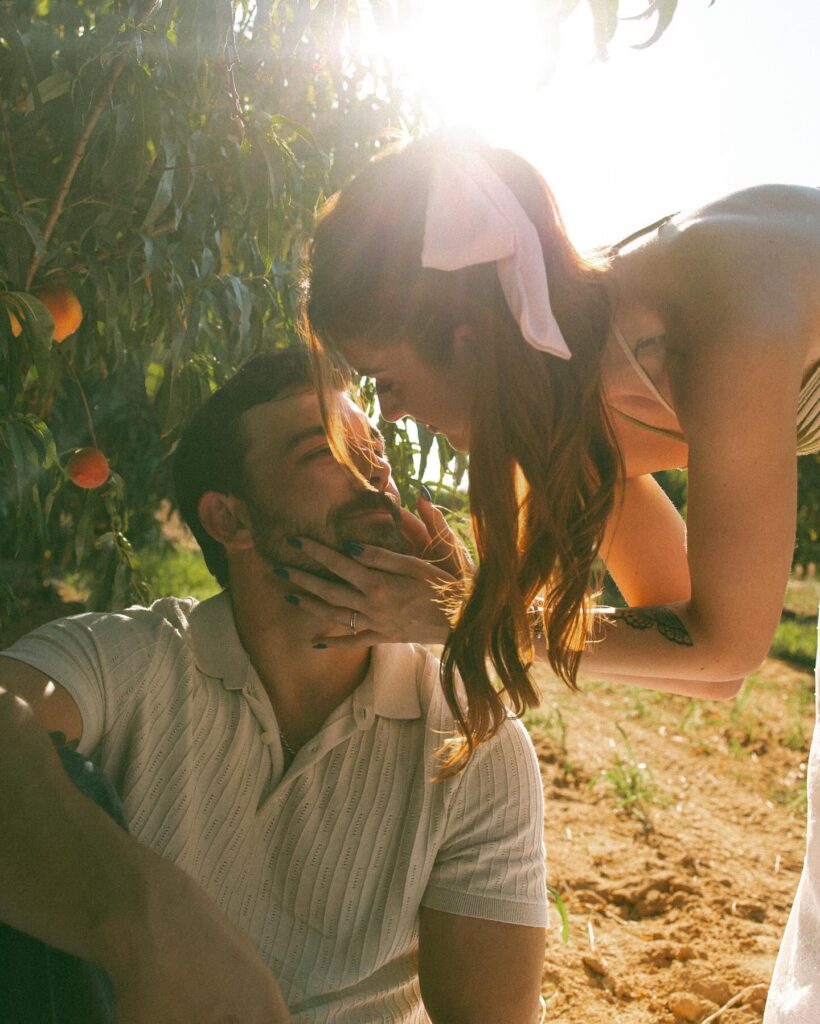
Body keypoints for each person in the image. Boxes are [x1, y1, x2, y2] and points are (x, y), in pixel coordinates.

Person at [293, 132, 820, 1022]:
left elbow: (728, 646)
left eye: (384, 379)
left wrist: (460, 621)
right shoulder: (585, 375)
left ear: (465, 337)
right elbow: (680, 633)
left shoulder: (710, 324)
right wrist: (469, 599)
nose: (392, 414)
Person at [0, 347, 549, 1024]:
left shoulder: (471, 740)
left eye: (372, 451)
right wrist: (149, 920)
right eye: (323, 451)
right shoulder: (128, 660)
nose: (376, 472)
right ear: (229, 519)